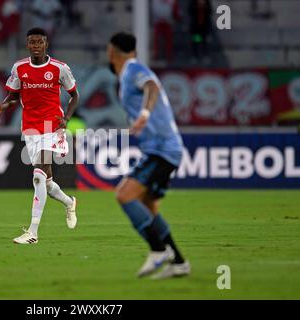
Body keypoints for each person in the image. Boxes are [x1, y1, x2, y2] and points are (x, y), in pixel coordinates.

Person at [106, 32, 190, 279]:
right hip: (164, 148)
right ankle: (179, 263)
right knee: (149, 206)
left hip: (162, 148)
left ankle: (157, 250)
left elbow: (152, 86)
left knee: (124, 194)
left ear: (111, 51)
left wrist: (144, 114)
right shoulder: (125, 75)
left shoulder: (133, 69)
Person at [0, 27, 79, 244]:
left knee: (38, 175)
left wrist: (66, 118)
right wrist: (4, 105)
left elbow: (74, 95)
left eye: (39, 42)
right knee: (47, 184)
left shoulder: (60, 68)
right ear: (28, 44)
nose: (36, 45)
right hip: (30, 129)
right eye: (32, 42)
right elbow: (14, 95)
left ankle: (32, 232)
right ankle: (69, 203)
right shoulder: (19, 68)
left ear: (46, 44)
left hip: (53, 127)